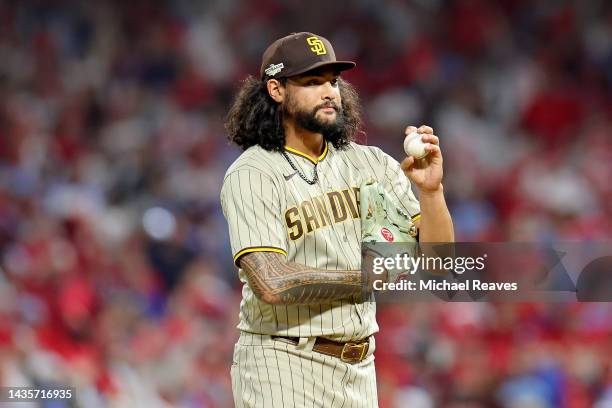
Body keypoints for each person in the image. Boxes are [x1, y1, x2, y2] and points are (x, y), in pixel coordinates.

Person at [220, 32, 454, 408]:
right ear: (276, 90)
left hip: (359, 368)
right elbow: (272, 283)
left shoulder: (370, 163)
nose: (330, 91)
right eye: (312, 82)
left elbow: (439, 265)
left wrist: (431, 192)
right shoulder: (253, 173)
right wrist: (364, 279)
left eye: (333, 80)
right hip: (282, 362)